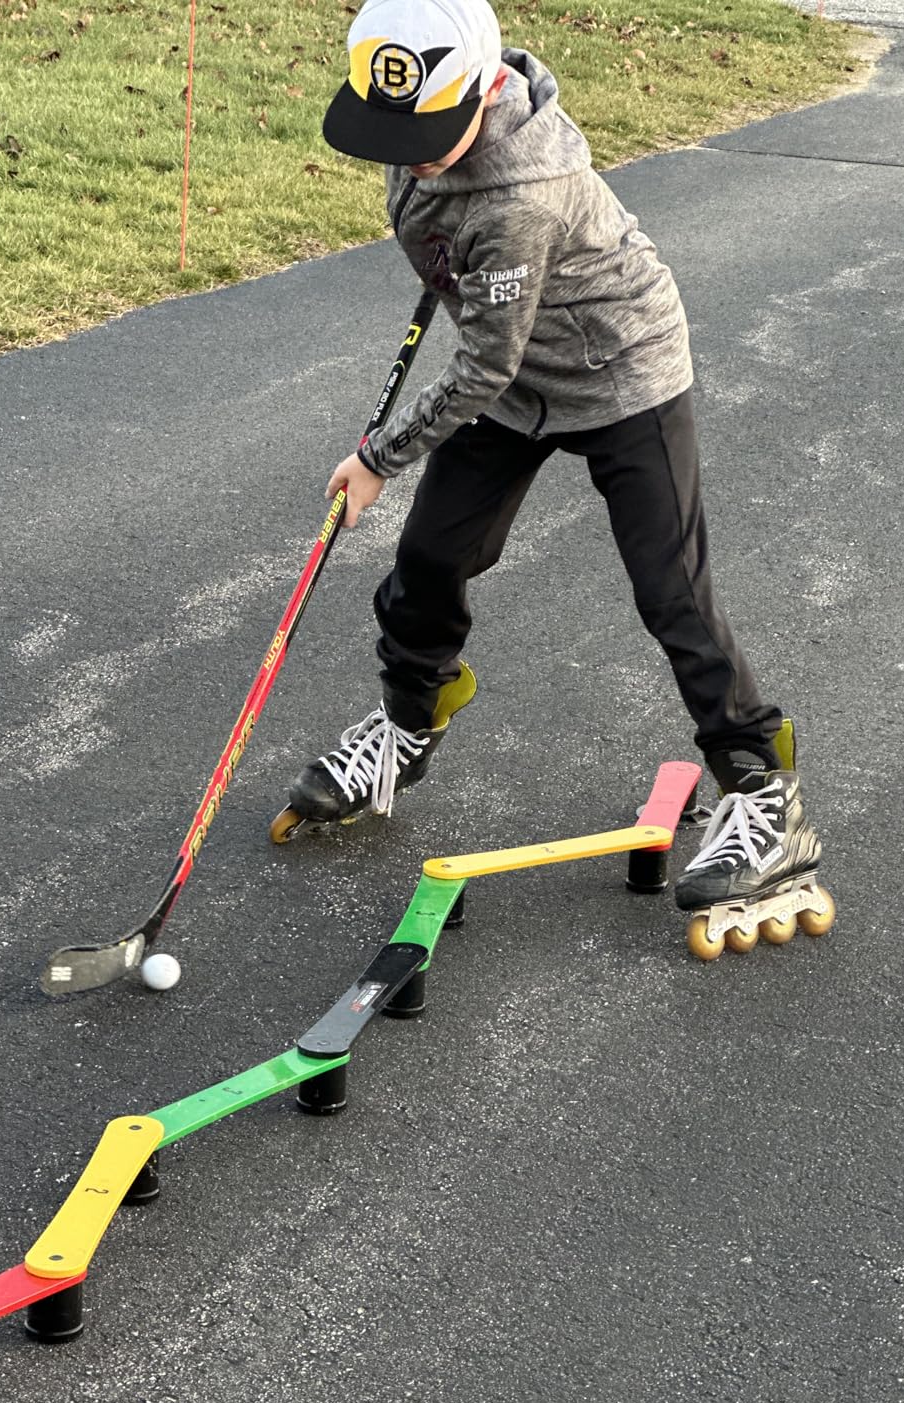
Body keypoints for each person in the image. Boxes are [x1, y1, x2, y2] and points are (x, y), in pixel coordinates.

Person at [280, 0, 823, 920]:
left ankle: (765, 798)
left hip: (623, 373)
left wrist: (380, 455)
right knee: (430, 562)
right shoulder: (423, 133)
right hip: (520, 376)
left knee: (672, 591)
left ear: (488, 86)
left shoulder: (523, 194)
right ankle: (409, 724)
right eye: (398, 130)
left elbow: (482, 366)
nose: (412, 151)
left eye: (431, 132)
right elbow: (474, 301)